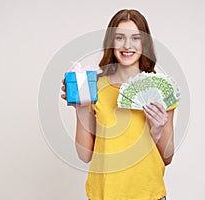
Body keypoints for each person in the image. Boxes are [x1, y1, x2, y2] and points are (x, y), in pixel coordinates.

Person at [61, 9, 177, 200]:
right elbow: (85, 155)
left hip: (149, 193)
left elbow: (167, 158)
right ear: (111, 42)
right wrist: (80, 108)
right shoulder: (94, 87)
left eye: (136, 38)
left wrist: (157, 131)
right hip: (104, 194)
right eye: (120, 37)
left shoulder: (162, 90)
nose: (127, 45)